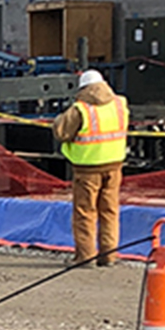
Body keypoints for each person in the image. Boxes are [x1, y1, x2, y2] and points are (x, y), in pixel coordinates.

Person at [52, 69, 128, 267]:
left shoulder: (81, 109)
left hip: (87, 170)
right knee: (109, 211)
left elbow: (61, 132)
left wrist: (59, 119)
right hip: (114, 166)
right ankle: (109, 255)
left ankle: (85, 257)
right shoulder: (120, 103)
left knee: (85, 212)